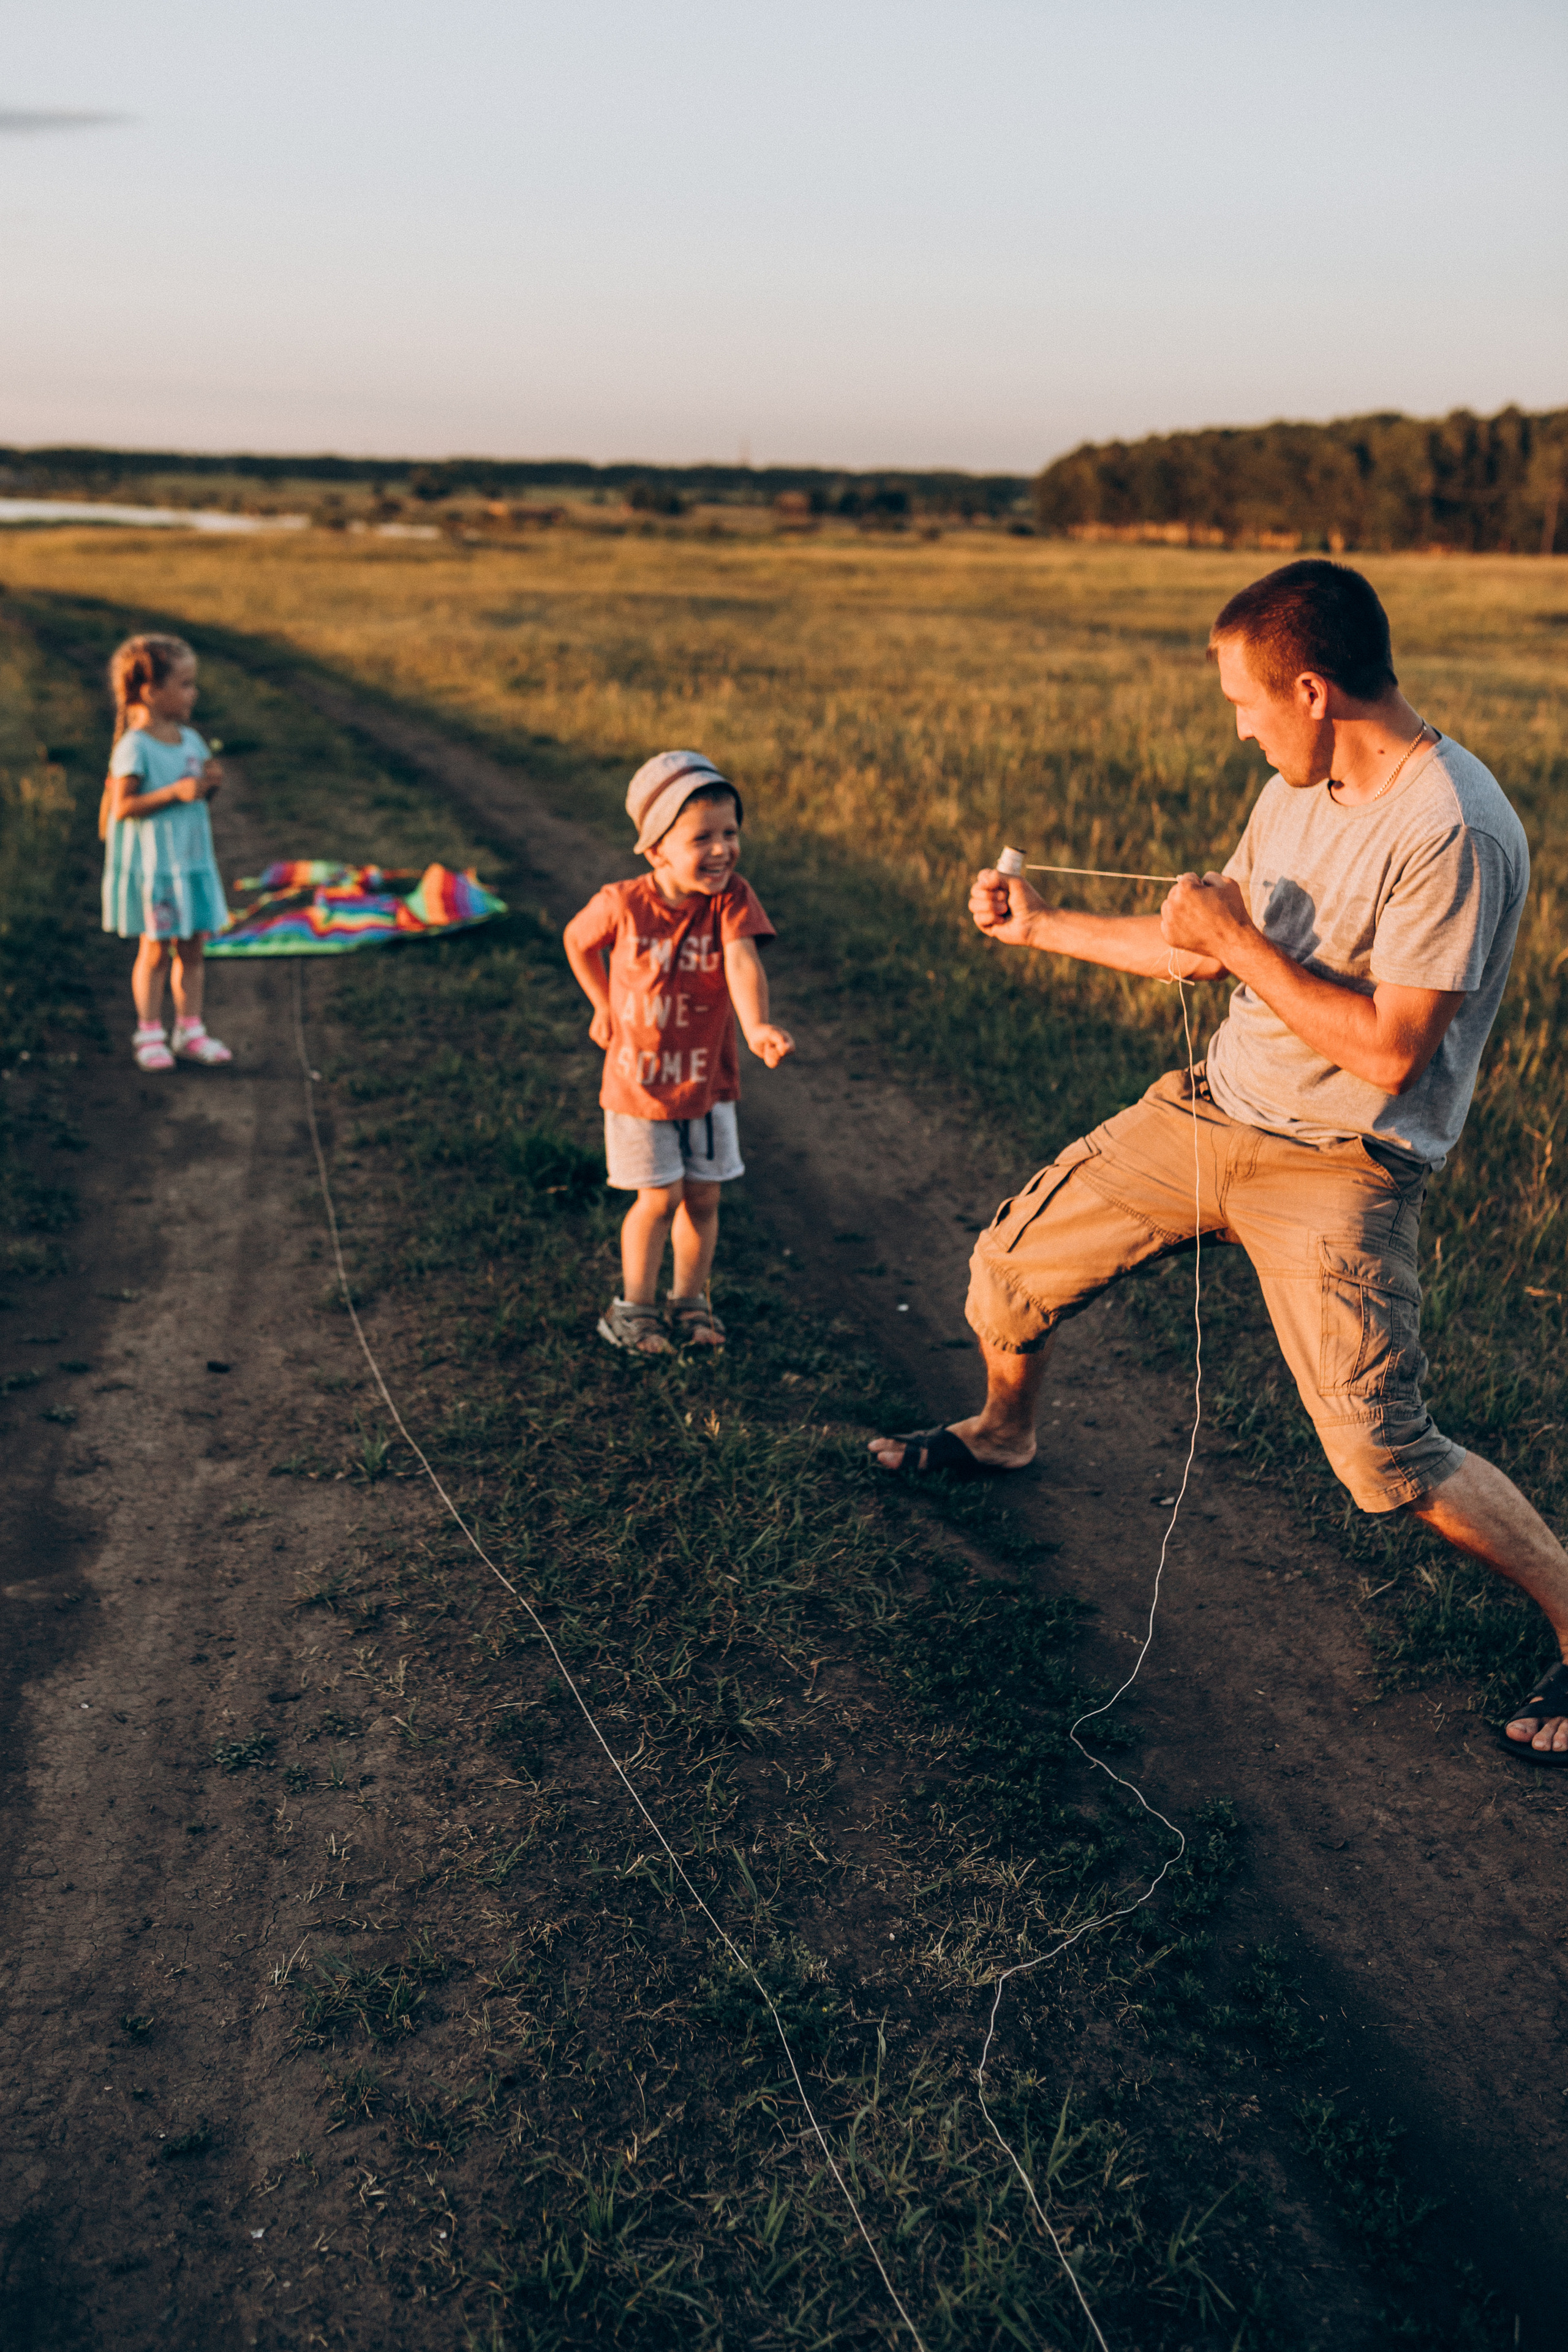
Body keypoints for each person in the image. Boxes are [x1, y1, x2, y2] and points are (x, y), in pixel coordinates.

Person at [870, 559, 1568, 1765]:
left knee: (1381, 1457)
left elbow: (1390, 1051)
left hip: (1340, 1161)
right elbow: (1201, 953)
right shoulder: (1299, 788)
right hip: (1210, 1111)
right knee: (1008, 1270)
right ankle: (1001, 1434)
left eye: (1244, 706)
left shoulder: (1450, 826)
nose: (1237, 730)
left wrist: (1236, 944)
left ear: (1308, 689)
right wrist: (1036, 925)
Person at [564, 750, 794, 1354]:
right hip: (639, 1084)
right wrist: (602, 1005)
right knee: (658, 1197)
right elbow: (577, 941)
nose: (721, 850)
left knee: (704, 1196)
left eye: (730, 833)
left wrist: (757, 1026)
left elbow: (742, 962)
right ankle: (632, 1309)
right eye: (702, 838)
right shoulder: (622, 902)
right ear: (656, 847)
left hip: (707, 1084)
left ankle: (690, 1302)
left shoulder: (730, 899)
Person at [100, 633, 233, 1070]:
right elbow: (124, 808)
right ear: (151, 691)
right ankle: (150, 1031)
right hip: (158, 870)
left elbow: (194, 799)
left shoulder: (191, 741)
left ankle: (190, 1030)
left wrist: (206, 789)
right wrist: (177, 792)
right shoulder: (135, 748)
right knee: (156, 950)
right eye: (185, 684)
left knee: (194, 948)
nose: (193, 693)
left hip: (191, 863)